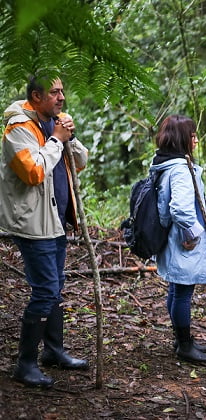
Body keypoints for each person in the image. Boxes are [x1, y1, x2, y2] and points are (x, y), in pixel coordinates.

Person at [0, 74, 90, 387]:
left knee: (55, 287)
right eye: (54, 92)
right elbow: (34, 172)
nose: (61, 97)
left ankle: (54, 352)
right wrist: (56, 140)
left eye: (62, 91)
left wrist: (69, 137)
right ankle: (25, 364)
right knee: (45, 290)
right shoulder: (18, 129)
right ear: (36, 97)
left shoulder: (52, 123)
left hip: (55, 221)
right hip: (33, 224)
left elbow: (79, 162)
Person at [150, 114, 206, 364]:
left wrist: (202, 200)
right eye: (192, 136)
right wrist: (193, 233)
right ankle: (184, 345)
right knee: (182, 291)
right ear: (183, 139)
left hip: (171, 236)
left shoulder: (166, 162)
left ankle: (182, 339)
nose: (196, 140)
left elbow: (180, 196)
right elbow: (179, 207)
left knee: (176, 288)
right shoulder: (179, 169)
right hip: (182, 239)